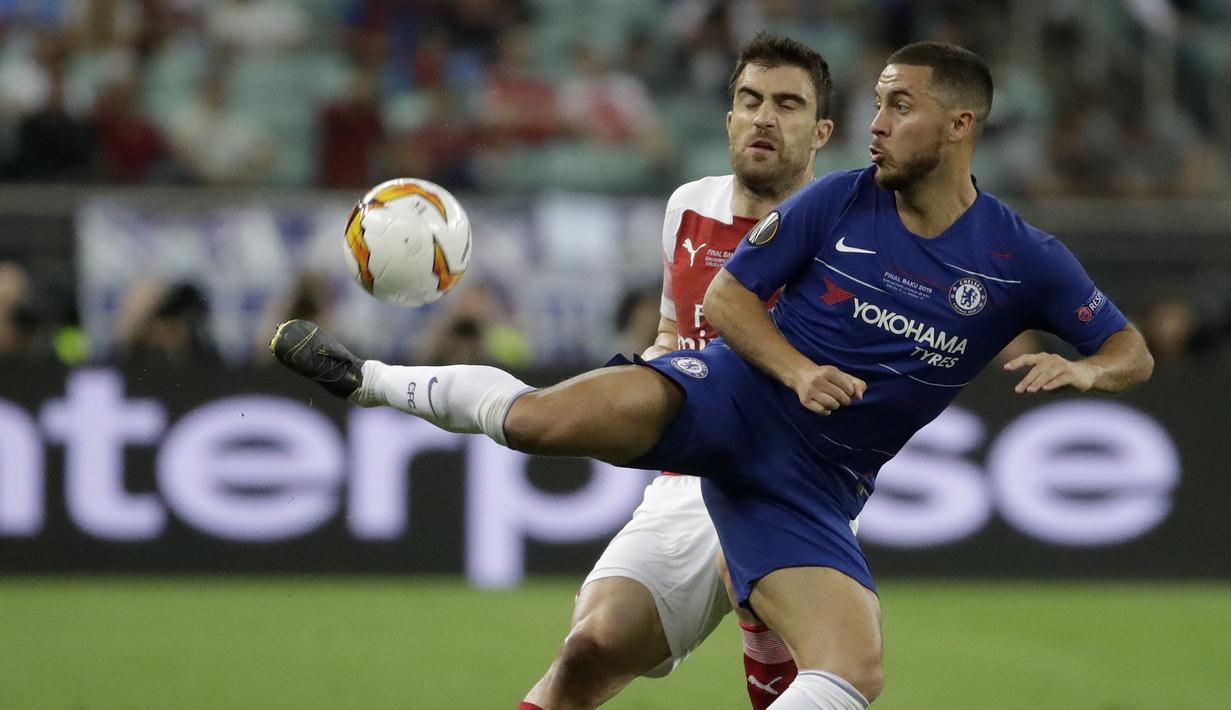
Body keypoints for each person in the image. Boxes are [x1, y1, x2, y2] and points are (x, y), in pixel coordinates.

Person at [271, 42, 1154, 709]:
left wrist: (1083, 375)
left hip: (811, 477)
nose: (880, 124)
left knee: (853, 669)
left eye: (898, 107)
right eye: (745, 100)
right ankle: (368, 381)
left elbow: (1129, 350)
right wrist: (792, 371)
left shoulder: (1016, 257)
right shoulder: (815, 202)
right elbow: (724, 304)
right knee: (550, 469)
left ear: (959, 125)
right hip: (723, 401)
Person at [520, 34, 839, 710]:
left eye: (786, 105)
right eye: (749, 101)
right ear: (728, 121)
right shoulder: (688, 206)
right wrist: (655, 372)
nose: (763, 117)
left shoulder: (844, 237)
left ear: (820, 132)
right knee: (585, 650)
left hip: (792, 479)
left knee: (759, 596)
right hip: (687, 477)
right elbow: (674, 332)